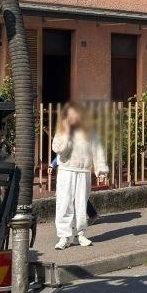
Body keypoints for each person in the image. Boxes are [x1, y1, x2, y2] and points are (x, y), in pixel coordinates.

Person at [51, 102, 109, 249]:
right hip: (66, 171)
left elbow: (98, 151)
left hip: (84, 172)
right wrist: (67, 133)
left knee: (81, 204)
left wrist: (101, 170)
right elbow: (59, 150)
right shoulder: (62, 131)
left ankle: (80, 234)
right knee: (64, 203)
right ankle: (64, 236)